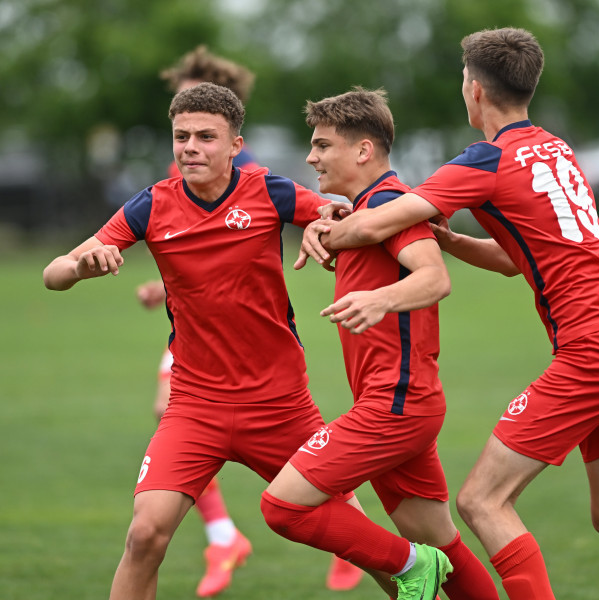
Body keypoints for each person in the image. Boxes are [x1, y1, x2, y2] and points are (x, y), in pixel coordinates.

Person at [297, 27, 599, 600]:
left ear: (474, 91)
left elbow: (375, 219)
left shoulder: (486, 157)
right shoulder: (555, 147)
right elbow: (518, 260)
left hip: (595, 346)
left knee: (481, 501)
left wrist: (324, 229)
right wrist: (452, 240)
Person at [42, 82, 368, 600]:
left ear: (235, 145)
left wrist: (325, 221)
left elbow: (341, 216)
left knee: (359, 538)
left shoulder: (269, 191)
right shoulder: (151, 205)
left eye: (205, 137)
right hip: (196, 406)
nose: (190, 147)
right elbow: (52, 274)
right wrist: (81, 265)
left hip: (279, 404)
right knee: (144, 535)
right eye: (181, 136)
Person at [137, 45, 363, 596]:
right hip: (200, 344)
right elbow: (188, 249)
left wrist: (323, 218)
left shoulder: (249, 177)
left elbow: (275, 221)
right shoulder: (174, 176)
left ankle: (353, 537)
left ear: (231, 135)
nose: (188, 135)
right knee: (170, 417)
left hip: (259, 364)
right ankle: (221, 535)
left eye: (202, 126)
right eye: (179, 118)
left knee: (317, 489)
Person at [260, 87, 501, 600]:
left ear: (363, 150)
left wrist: (381, 299)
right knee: (445, 546)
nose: (311, 157)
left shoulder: (393, 205)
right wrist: (326, 225)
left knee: (281, 506)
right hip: (398, 402)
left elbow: (434, 278)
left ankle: (410, 567)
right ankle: (420, 563)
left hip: (395, 404)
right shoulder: (367, 210)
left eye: (323, 145)